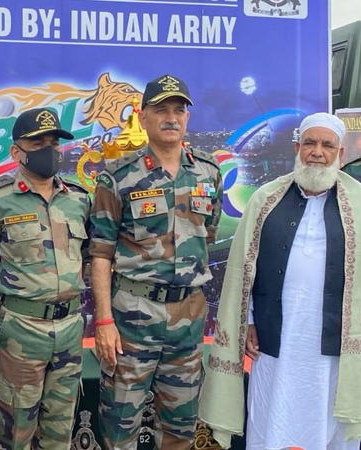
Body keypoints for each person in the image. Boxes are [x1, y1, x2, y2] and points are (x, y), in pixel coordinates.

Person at [199, 112, 361, 450]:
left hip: (337, 342)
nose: (317, 152)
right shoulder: (265, 199)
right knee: (269, 420)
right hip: (276, 337)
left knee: (334, 428)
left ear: (340, 154)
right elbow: (244, 270)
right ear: (297, 147)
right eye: (310, 143)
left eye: (327, 145)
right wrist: (247, 320)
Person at [89, 74, 223, 449]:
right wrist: (103, 321)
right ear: (142, 117)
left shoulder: (208, 173)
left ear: (187, 118)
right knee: (120, 423)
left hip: (188, 315)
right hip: (133, 315)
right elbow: (100, 253)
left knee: (180, 427)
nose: (171, 117)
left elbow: (206, 234)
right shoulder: (117, 177)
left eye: (179, 110)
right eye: (160, 109)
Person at [0, 107, 91, 449]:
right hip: (22, 328)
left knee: (59, 430)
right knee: (15, 432)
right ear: (16, 151)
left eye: (54, 142)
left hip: (69, 327)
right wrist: (2, 311)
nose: (48, 150)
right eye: (37, 142)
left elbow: (84, 259)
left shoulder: (79, 199)